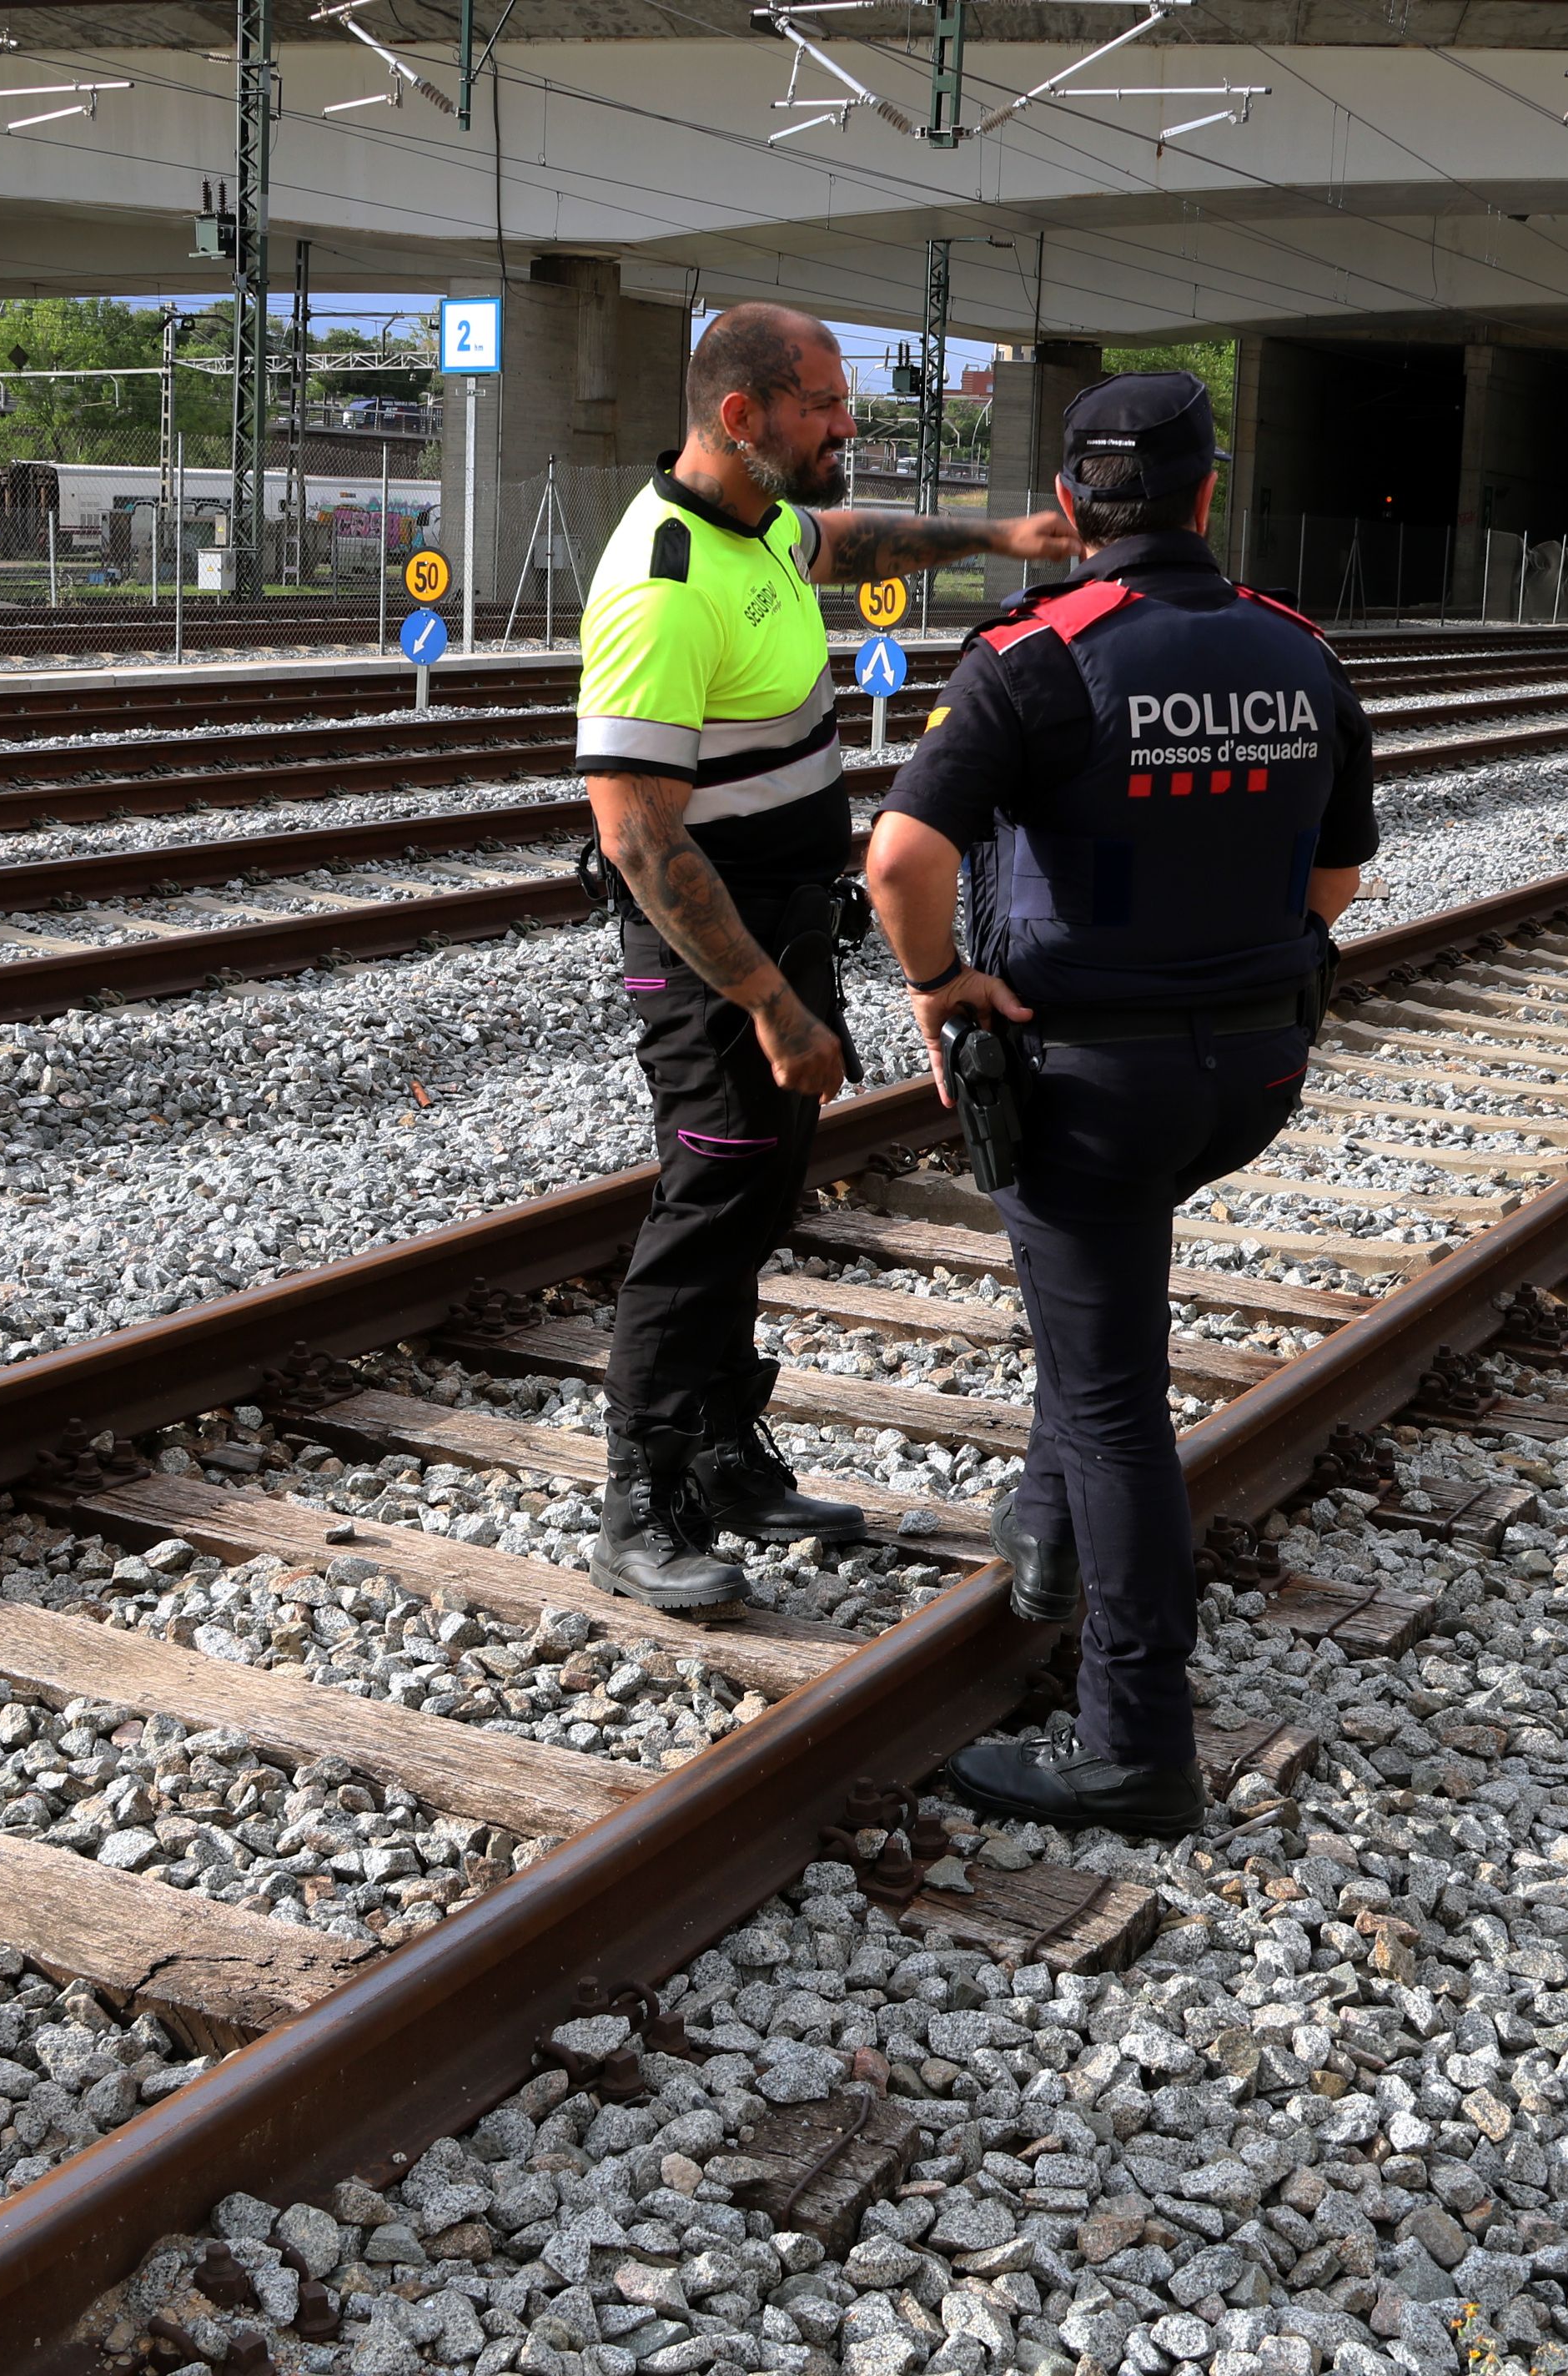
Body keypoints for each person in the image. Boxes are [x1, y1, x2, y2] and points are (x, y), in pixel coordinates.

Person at [862, 370, 1378, 1835]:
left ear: (1073, 506)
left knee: (1113, 1400)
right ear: (1213, 495)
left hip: (1088, 1083)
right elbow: (1336, 876)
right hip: (1254, 1074)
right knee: (1091, 1313)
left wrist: (942, 983)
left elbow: (901, 862)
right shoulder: (1298, 652)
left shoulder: (1039, 656)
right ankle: (1046, 1535)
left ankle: (1136, 1738)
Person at [578, 304, 1078, 1614]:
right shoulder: (664, 580)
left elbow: (852, 540)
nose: (846, 425)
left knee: (756, 1189)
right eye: (823, 405)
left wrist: (1001, 536)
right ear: (742, 421)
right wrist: (768, 1005)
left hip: (781, 932)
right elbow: (636, 835)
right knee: (714, 1194)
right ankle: (642, 1494)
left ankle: (728, 1454)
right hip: (714, 953)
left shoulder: (762, 529)